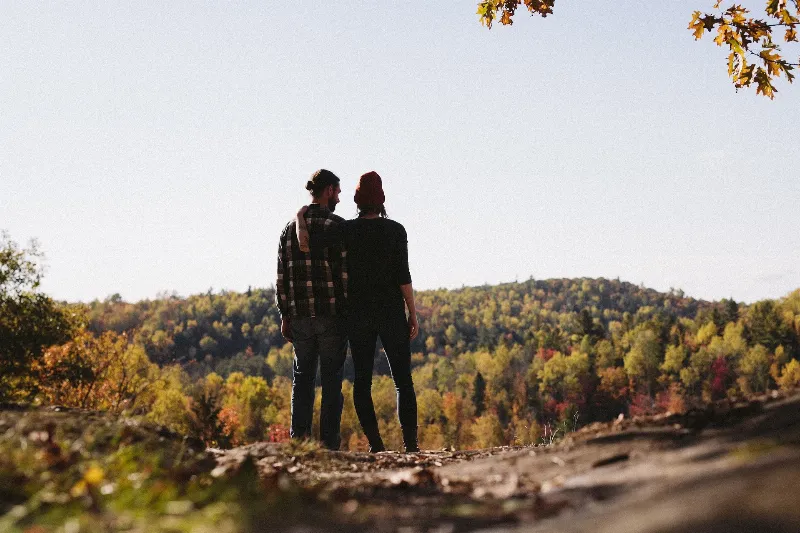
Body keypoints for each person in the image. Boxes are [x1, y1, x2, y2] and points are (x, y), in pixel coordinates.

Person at [297, 171, 420, 453]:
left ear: (357, 200)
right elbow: (404, 276)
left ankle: (376, 445)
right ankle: (411, 445)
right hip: (391, 313)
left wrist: (301, 216)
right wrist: (412, 312)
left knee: (362, 381)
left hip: (358, 315)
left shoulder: (346, 230)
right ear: (382, 201)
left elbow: (309, 244)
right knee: (403, 380)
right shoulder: (395, 231)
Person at [276, 169, 348, 450]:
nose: (339, 197)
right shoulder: (337, 226)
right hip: (331, 315)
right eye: (338, 192)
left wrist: (285, 314)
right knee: (332, 381)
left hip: (301, 317)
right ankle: (329, 444)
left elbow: (281, 276)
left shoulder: (288, 230)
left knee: (302, 380)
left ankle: (300, 442)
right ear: (328, 190)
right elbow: (344, 275)